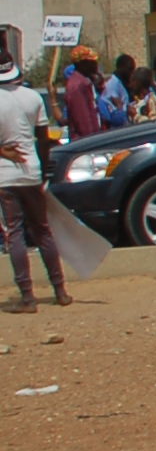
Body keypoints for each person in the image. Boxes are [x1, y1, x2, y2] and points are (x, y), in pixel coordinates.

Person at [0, 53, 69, 312]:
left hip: (5, 175)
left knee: (15, 232)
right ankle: (60, 290)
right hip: (32, 170)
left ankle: (27, 296)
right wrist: (43, 173)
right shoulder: (32, 97)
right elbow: (43, 139)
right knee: (42, 231)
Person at [60, 50, 103, 142]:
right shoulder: (77, 86)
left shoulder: (85, 83)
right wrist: (93, 141)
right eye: (92, 62)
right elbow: (83, 123)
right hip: (85, 142)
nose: (95, 66)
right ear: (82, 64)